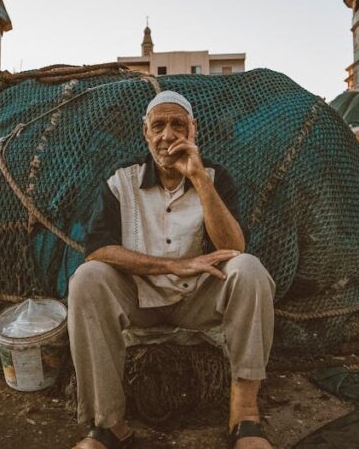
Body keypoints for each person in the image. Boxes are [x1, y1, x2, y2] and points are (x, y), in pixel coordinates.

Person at [68, 91, 275, 449]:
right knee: (87, 278)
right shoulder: (121, 181)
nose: (168, 135)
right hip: (139, 299)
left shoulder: (215, 176)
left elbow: (235, 246)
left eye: (178, 125)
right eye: (158, 126)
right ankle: (108, 426)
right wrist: (175, 265)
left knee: (250, 269)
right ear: (145, 131)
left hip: (197, 300)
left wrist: (199, 179)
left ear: (193, 131)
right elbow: (98, 249)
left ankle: (244, 417)